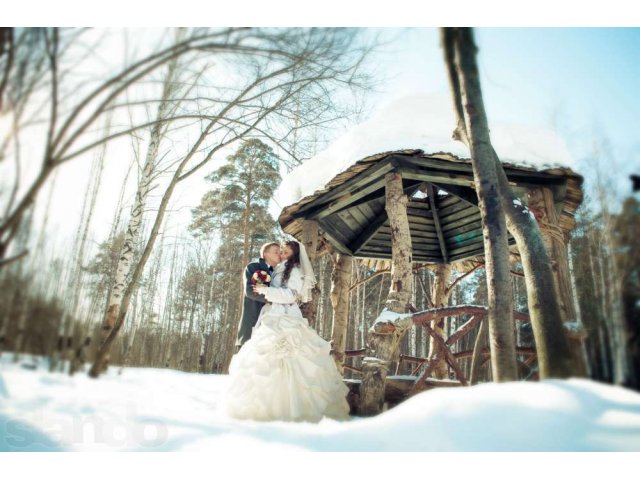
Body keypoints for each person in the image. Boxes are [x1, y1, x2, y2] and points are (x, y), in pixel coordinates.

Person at [225, 240, 350, 422]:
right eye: (280, 251)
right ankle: (263, 407)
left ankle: (294, 409)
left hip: (286, 317)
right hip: (270, 316)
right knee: (262, 362)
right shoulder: (275, 269)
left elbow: (291, 295)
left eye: (285, 251)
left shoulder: (296, 270)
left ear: (294, 254)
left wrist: (267, 291)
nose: (282, 254)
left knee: (292, 360)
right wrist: (266, 291)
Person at [235, 242, 281, 352]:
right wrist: (277, 298)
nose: (280, 254)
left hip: (271, 327)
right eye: (276, 252)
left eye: (280, 252)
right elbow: (251, 292)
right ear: (265, 254)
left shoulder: (279, 273)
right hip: (253, 321)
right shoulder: (254, 267)